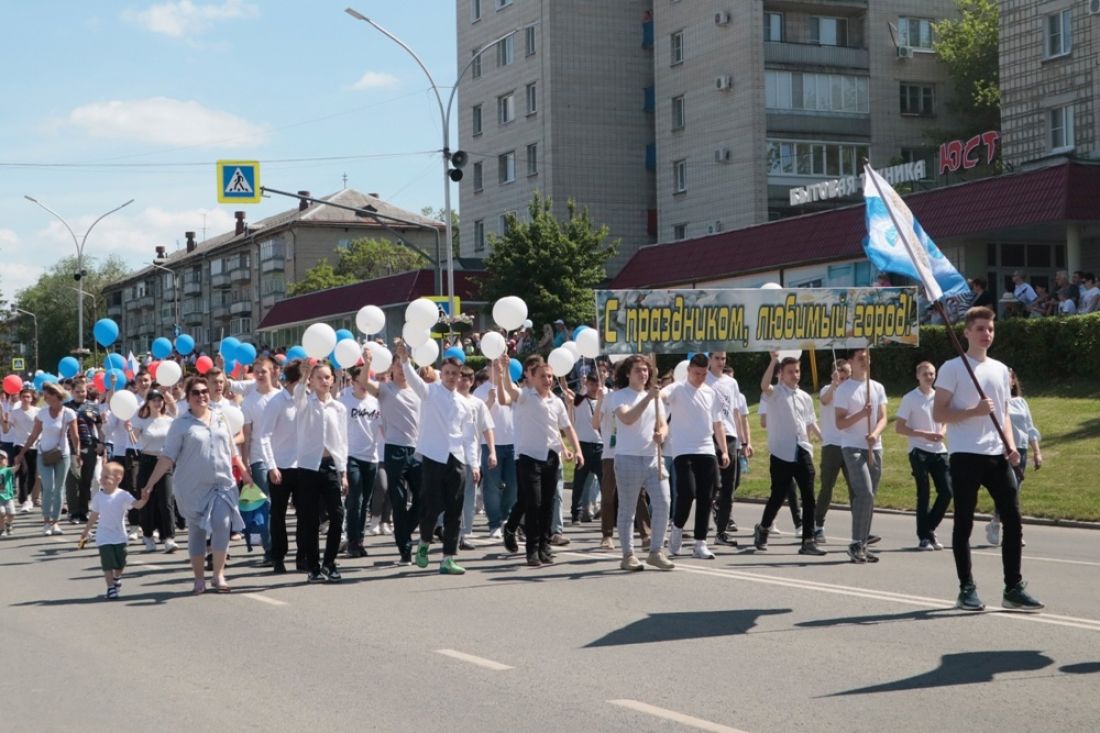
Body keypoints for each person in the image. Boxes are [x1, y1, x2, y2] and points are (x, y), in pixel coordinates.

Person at [933, 306, 1043, 612]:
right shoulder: (953, 368)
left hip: (996, 454)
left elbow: (1004, 413)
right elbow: (939, 412)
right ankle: (966, 588)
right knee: (964, 522)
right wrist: (973, 411)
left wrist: (1011, 446)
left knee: (1013, 518)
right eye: (980, 328)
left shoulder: (999, 369)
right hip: (965, 454)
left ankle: (1013, 587)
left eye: (990, 329)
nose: (986, 334)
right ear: (967, 332)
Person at [142, 376, 252, 595]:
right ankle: (199, 578)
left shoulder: (220, 417)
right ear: (188, 397)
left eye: (204, 391)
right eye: (196, 393)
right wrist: (149, 484)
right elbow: (167, 457)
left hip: (222, 483)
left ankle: (219, 574)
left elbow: (231, 449)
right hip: (192, 486)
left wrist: (246, 474)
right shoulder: (181, 424)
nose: (201, 396)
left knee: (222, 523)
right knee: (198, 532)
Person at [398, 344, 479, 575]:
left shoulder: (465, 404)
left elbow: (469, 437)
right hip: (434, 456)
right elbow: (414, 381)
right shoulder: (431, 392)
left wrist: (474, 464)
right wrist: (405, 361)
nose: (452, 377)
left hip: (457, 459)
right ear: (441, 374)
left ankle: (448, 558)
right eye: (448, 373)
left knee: (454, 510)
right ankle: (424, 543)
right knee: (432, 507)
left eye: (456, 374)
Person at [501, 357, 581, 567]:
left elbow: (566, 428)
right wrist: (503, 369)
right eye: (543, 376)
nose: (547, 380)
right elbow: (509, 388)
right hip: (528, 457)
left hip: (550, 457)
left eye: (550, 376)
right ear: (532, 378)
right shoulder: (525, 396)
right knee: (533, 504)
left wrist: (576, 450)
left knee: (548, 503)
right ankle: (532, 550)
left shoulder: (556, 401)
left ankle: (545, 546)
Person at [606, 355, 675, 572]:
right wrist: (647, 399)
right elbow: (627, 419)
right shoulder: (619, 397)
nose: (643, 374)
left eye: (645, 370)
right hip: (628, 458)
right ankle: (628, 555)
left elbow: (664, 425)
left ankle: (655, 552)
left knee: (664, 502)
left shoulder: (654, 398)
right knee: (628, 509)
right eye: (638, 370)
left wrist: (661, 435)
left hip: (653, 458)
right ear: (628, 373)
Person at [752, 353, 825, 556]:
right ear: (781, 375)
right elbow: (764, 385)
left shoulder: (805, 397)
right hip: (781, 452)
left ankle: (808, 541)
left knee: (809, 497)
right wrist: (773, 360)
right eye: (790, 372)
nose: (795, 375)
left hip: (802, 449)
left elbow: (810, 422)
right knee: (778, 495)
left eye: (797, 371)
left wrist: (822, 438)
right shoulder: (774, 394)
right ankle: (763, 528)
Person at [662, 353, 729, 560]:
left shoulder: (710, 393)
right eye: (696, 373)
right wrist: (657, 393)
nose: (700, 377)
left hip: (706, 449)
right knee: (687, 493)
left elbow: (717, 423)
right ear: (689, 370)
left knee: (705, 497)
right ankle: (677, 528)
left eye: (703, 373)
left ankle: (700, 542)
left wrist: (724, 450)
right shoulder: (677, 389)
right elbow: (661, 396)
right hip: (682, 450)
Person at [363, 346, 423, 566]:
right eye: (397, 364)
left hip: (418, 450)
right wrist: (367, 363)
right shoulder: (386, 389)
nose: (401, 369)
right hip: (395, 449)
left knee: (423, 497)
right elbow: (367, 384)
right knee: (398, 501)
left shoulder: (419, 390)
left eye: (405, 364)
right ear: (392, 368)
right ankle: (405, 549)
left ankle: (405, 528)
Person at [293, 363, 348, 583]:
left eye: (327, 377)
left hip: (331, 466)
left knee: (337, 516)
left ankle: (330, 562)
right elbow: (298, 395)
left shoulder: (339, 408)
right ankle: (313, 567)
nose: (324, 381)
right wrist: (304, 374)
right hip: (308, 467)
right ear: (312, 381)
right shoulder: (306, 403)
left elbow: (342, 442)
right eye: (319, 378)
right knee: (309, 520)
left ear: (333, 380)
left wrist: (343, 472)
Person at [833, 348, 887, 563]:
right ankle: (856, 543)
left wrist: (875, 433)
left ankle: (863, 543)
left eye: (868, 358)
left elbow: (883, 417)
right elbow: (840, 422)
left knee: (870, 496)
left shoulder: (877, 387)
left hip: (874, 446)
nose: (865, 362)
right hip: (852, 447)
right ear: (851, 361)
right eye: (861, 359)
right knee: (864, 493)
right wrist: (861, 414)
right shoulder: (844, 389)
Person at [895, 362, 950, 551]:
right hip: (918, 450)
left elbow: (945, 420)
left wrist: (942, 431)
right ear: (918, 376)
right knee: (924, 493)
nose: (930, 377)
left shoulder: (939, 396)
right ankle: (924, 537)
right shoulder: (910, 398)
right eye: (926, 374)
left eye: (932, 374)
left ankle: (929, 528)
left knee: (947, 491)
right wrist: (923, 434)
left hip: (939, 450)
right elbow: (899, 427)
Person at [986, 369, 1043, 547]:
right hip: (1003, 451)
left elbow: (1030, 428)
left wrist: (1037, 452)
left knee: (1015, 490)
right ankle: (1006, 528)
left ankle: (999, 522)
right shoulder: (996, 402)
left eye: (1009, 379)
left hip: (1021, 450)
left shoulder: (1021, 402)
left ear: (1012, 382)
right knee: (1008, 491)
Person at [15, 382, 79, 537]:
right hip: (43, 454)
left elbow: (74, 436)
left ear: (56, 396)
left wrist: (77, 455)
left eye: (47, 395)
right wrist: (22, 452)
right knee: (48, 487)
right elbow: (34, 435)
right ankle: (46, 522)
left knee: (59, 489)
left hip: (62, 454)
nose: (44, 397)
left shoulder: (68, 413)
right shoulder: (42, 413)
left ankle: (55, 522)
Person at [78, 463, 151, 600]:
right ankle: (111, 587)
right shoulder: (99, 497)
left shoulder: (123, 495)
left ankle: (117, 577)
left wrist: (144, 499)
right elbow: (94, 515)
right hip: (103, 536)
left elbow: (137, 505)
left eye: (106, 477)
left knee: (121, 563)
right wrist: (86, 531)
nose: (102, 480)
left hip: (119, 535)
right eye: (101, 477)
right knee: (107, 564)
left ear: (118, 478)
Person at [259, 360, 303, 574]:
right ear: (297, 380)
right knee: (279, 515)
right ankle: (278, 556)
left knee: (306, 514)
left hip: (303, 466)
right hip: (280, 468)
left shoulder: (307, 401)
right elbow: (264, 436)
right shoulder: (277, 402)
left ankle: (303, 556)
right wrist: (271, 466)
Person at [706, 352, 750, 547]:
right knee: (711, 484)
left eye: (723, 358)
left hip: (730, 435)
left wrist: (743, 441)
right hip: (710, 434)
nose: (721, 362)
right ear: (709, 359)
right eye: (717, 358)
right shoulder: (703, 380)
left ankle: (721, 531)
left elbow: (736, 412)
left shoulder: (731, 383)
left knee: (729, 487)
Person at [340, 362, 384, 559]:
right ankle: (352, 541)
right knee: (355, 500)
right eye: (361, 380)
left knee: (365, 501)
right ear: (353, 382)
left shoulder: (375, 402)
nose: (364, 384)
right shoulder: (345, 400)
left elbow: (384, 428)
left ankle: (359, 539)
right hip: (352, 455)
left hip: (371, 457)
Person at [130, 389, 179, 553]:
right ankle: (148, 535)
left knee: (166, 500)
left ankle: (169, 537)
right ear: (148, 403)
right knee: (147, 500)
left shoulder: (170, 421)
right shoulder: (142, 421)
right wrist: (129, 429)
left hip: (164, 462)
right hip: (147, 461)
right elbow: (134, 439)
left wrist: (171, 399)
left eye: (160, 400)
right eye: (154, 400)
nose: (158, 403)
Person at [240, 356, 279, 564]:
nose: (260, 374)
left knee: (279, 506)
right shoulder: (249, 401)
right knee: (266, 504)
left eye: (263, 371)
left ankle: (278, 547)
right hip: (259, 458)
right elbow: (246, 435)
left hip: (281, 456)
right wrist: (245, 463)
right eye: (256, 371)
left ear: (273, 372)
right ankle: (270, 549)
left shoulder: (280, 397)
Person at [473, 362, 517, 540]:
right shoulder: (480, 391)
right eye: (495, 366)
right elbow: (476, 419)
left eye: (502, 367)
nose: (499, 369)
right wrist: (490, 401)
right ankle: (494, 523)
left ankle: (506, 517)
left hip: (513, 443)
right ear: (488, 369)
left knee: (513, 486)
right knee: (492, 486)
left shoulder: (511, 387)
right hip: (490, 444)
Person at [456, 365, 495, 551]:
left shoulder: (478, 404)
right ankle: (443, 528)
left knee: (468, 499)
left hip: (472, 458)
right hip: (451, 456)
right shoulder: (449, 400)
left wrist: (492, 451)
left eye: (467, 379)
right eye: (460, 378)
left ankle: (463, 534)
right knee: (450, 497)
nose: (463, 381)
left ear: (472, 382)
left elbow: (487, 428)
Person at [813, 359, 851, 544]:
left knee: (857, 489)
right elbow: (824, 399)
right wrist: (835, 385)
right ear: (834, 375)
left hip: (851, 444)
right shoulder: (828, 389)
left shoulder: (853, 391)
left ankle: (861, 530)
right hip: (832, 445)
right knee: (827, 488)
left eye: (847, 377)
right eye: (841, 377)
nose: (844, 380)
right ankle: (818, 525)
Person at [64, 377, 103, 524]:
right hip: (71, 447)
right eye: (78, 391)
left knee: (86, 481)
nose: (81, 394)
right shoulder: (66, 407)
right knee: (73, 479)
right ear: (72, 392)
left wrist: (101, 442)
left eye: (84, 391)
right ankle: (73, 512)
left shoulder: (93, 406)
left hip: (89, 445)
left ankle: (83, 511)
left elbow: (99, 426)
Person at [568, 373, 604, 524]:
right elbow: (568, 394)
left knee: (605, 482)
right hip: (583, 446)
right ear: (587, 384)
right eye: (591, 384)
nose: (594, 388)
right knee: (579, 482)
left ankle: (608, 510)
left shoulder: (603, 401)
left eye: (597, 385)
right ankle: (576, 512)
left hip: (600, 446)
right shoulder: (579, 400)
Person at [7, 387, 39, 513]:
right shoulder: (14, 413)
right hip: (19, 445)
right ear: (20, 398)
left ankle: (28, 496)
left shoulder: (37, 411)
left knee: (33, 474)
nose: (25, 399)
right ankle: (25, 500)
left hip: (35, 445)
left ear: (32, 398)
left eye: (28, 397)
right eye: (23, 397)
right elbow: (7, 429)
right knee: (23, 471)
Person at [0, 453, 15, 536]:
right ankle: (1, 529)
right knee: (1, 513)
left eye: (2, 458)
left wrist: (18, 461)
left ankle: (8, 524)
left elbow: (15, 469)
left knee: (12, 513)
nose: (0, 460)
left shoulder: (7, 470)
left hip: (8, 497)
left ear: (6, 461)